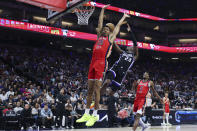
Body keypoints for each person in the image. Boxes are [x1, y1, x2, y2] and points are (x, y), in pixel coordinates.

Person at [76, 4, 130, 127]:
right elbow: (100, 22)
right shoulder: (99, 36)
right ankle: (86, 113)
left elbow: (116, 28)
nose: (104, 30)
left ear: (109, 32)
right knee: (89, 89)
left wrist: (123, 18)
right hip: (93, 62)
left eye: (107, 29)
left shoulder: (110, 38)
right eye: (104, 29)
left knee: (96, 90)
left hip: (101, 62)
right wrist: (102, 10)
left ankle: (95, 114)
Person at [101, 23, 138, 94]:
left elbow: (135, 43)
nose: (129, 46)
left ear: (133, 49)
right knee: (107, 82)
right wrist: (111, 38)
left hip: (122, 74)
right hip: (116, 68)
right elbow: (115, 46)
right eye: (129, 46)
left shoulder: (134, 56)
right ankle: (98, 98)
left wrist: (130, 32)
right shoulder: (122, 52)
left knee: (111, 93)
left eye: (130, 46)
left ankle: (104, 102)